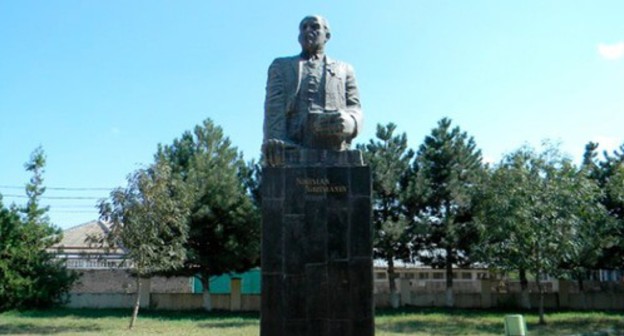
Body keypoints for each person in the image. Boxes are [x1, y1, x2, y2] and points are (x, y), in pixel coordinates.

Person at [262, 15, 363, 166]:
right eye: (304, 27)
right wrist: (274, 141)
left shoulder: (345, 69)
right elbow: (273, 108)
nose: (308, 30)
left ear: (327, 36)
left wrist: (351, 123)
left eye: (315, 27)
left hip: (333, 147)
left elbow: (355, 108)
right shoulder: (281, 66)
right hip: (293, 147)